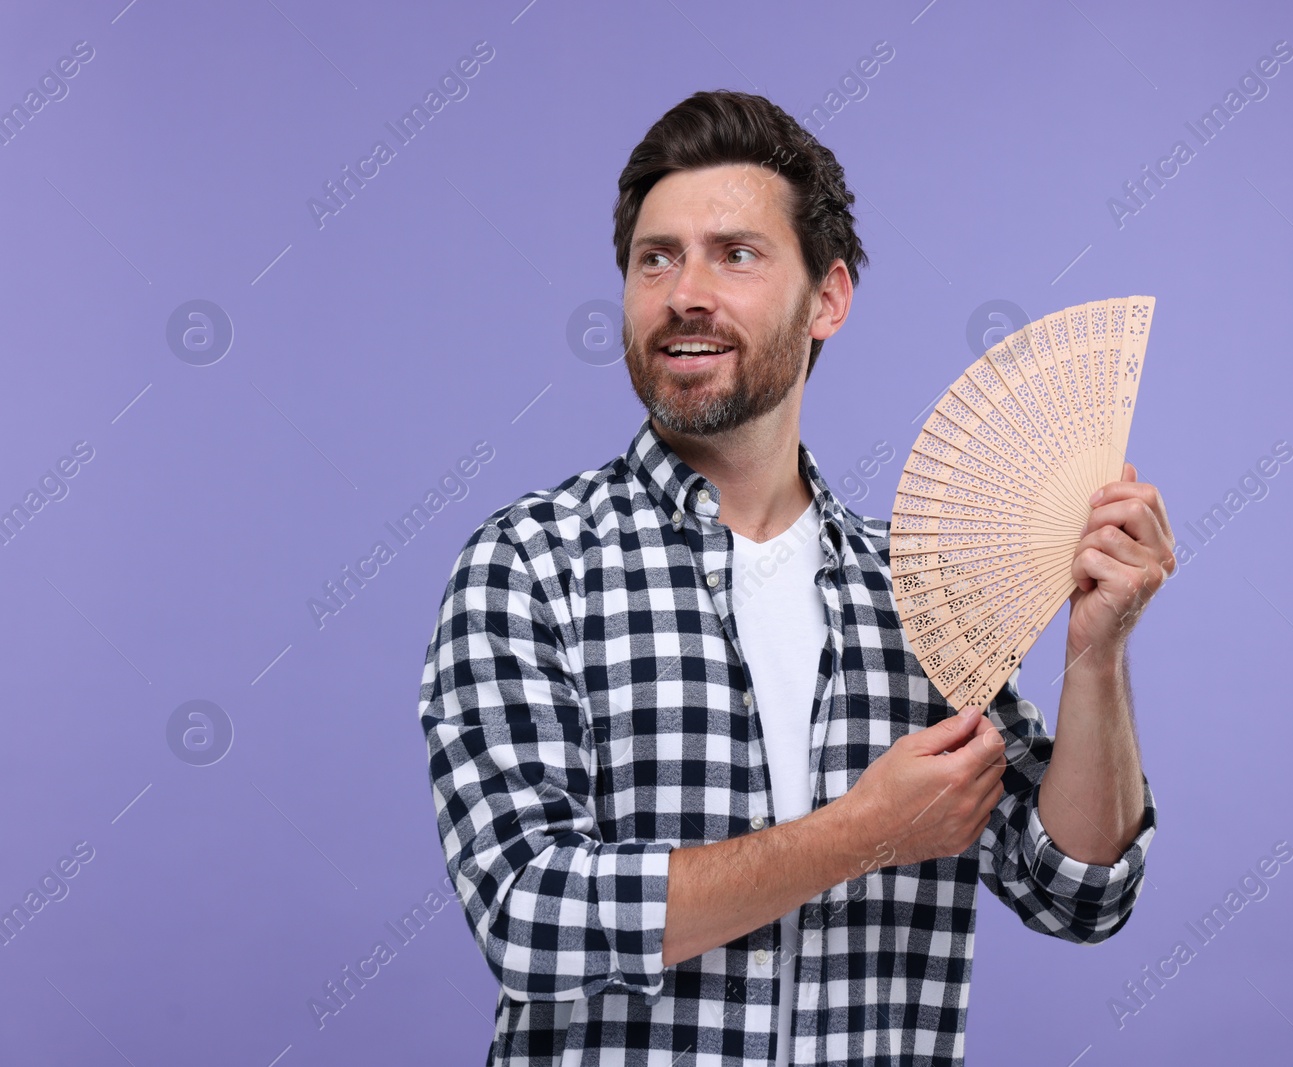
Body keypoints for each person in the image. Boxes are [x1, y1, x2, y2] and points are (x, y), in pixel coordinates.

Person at [417, 88, 1173, 1067]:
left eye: (734, 253)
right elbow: (530, 913)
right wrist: (855, 834)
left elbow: (1077, 890)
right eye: (657, 258)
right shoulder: (529, 566)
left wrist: (1097, 654)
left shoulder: (920, 588)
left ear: (828, 296)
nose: (685, 291)